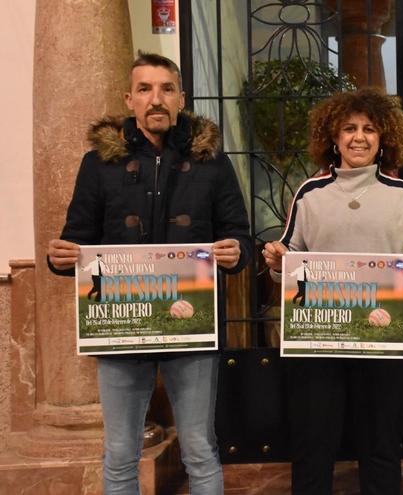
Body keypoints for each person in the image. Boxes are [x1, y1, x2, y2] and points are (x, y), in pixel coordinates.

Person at [47, 52, 252, 494]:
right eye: (145, 89)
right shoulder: (97, 164)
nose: (155, 99)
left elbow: (239, 234)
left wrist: (238, 251)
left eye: (165, 89)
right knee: (120, 450)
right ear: (129, 98)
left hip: (192, 328)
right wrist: (60, 258)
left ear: (181, 98)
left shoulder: (212, 162)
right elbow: (75, 239)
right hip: (122, 328)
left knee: (199, 447)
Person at [262, 87, 403, 495]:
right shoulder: (310, 194)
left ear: (384, 138)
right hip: (320, 341)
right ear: (333, 136)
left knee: (381, 447)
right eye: (349, 128)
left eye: (369, 129)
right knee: (313, 447)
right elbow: (290, 256)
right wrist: (276, 261)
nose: (358, 137)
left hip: (387, 344)